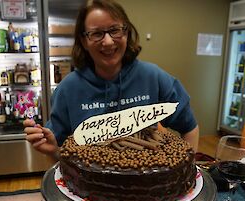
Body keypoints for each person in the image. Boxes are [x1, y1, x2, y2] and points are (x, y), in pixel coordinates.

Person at [24, 0, 199, 161]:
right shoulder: (68, 89)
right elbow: (59, 151)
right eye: (96, 33)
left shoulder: (153, 77)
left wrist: (184, 176)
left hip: (148, 188)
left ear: (126, 33)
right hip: (89, 188)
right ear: (84, 41)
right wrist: (53, 150)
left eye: (114, 30)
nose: (107, 42)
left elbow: (190, 127)